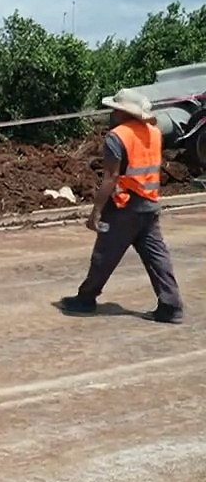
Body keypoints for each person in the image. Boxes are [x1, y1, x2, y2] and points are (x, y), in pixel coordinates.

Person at [59, 88, 184, 323]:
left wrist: (96, 211)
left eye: (116, 110)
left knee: (104, 254)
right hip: (149, 203)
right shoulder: (154, 132)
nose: (112, 113)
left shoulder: (117, 137)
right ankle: (171, 305)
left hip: (123, 205)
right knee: (157, 256)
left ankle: (86, 299)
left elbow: (110, 177)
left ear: (125, 113)